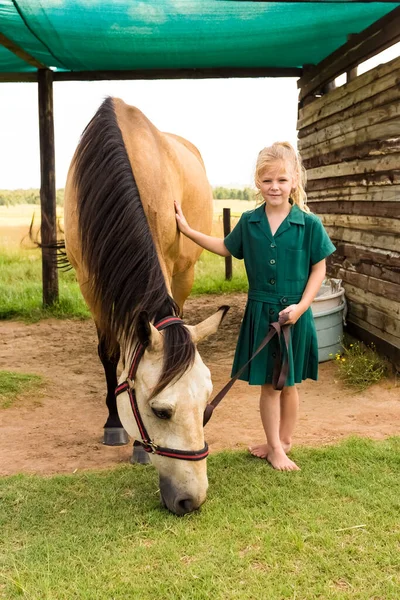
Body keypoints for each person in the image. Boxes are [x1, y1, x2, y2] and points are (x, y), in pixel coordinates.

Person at [175, 142, 335, 471]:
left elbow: (320, 268)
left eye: (281, 180)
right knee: (269, 386)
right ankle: (275, 446)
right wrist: (188, 231)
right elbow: (224, 247)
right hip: (261, 314)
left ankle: (283, 442)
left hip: (296, 315)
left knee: (289, 384)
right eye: (267, 180)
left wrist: (302, 307)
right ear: (257, 183)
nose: (274, 187)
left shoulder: (309, 225)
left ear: (294, 182)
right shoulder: (249, 223)